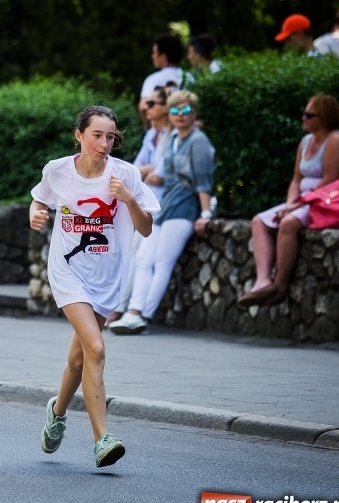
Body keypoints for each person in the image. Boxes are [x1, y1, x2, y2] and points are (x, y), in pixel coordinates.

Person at [31, 105, 159, 468]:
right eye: (97, 136)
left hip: (107, 276)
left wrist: (129, 199)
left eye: (110, 137)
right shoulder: (58, 170)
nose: (105, 144)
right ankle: (102, 437)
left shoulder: (126, 175)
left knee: (78, 356)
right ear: (80, 136)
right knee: (96, 348)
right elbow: (40, 199)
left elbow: (146, 229)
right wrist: (35, 213)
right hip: (68, 269)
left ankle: (56, 413)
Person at [237, 95, 339, 308]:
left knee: (288, 224)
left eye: (309, 115)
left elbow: (330, 181)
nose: (303, 118)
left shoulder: (336, 140)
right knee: (259, 221)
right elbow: (296, 180)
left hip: (329, 202)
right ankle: (262, 281)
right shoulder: (304, 142)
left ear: (326, 118)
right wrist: (290, 203)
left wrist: (297, 206)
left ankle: (279, 286)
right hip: (304, 201)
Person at [110, 91, 215, 335]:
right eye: (175, 110)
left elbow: (203, 181)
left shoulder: (198, 141)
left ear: (194, 113)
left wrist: (206, 213)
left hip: (186, 208)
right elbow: (163, 175)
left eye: (186, 110)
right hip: (166, 205)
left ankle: (141, 315)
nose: (180, 115)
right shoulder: (174, 138)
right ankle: (131, 312)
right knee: (144, 259)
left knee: (162, 262)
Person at [107, 85, 172, 325]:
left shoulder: (171, 137)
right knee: (128, 254)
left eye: (153, 103)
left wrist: (142, 173)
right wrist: (144, 172)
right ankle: (118, 308)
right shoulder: (150, 136)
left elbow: (160, 175)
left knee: (142, 257)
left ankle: (130, 311)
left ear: (165, 108)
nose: (146, 107)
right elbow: (135, 171)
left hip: (162, 203)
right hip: (142, 200)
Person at [138, 34, 184, 130]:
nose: (152, 56)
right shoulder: (189, 77)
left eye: (154, 53)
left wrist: (148, 130)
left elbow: (143, 107)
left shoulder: (153, 79)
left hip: (160, 129)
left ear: (163, 57)